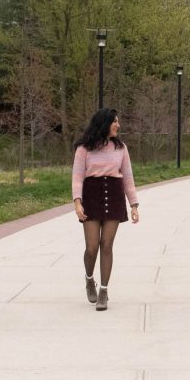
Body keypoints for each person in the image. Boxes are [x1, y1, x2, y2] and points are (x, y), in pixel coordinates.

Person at [71, 108, 140, 311]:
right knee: (92, 247)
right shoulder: (84, 148)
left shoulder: (121, 148)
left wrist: (134, 204)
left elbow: (128, 177)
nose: (118, 125)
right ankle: (89, 278)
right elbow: (77, 176)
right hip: (91, 196)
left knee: (106, 245)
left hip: (114, 195)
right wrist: (77, 201)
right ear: (104, 123)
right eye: (114, 122)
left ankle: (104, 291)